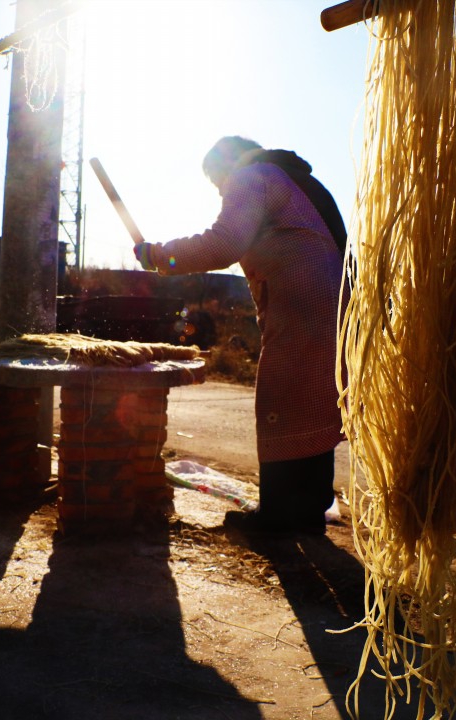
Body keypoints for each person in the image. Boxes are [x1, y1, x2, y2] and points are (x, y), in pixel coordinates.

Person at [133, 136, 346, 534]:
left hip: (304, 299)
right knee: (314, 400)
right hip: (332, 300)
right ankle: (309, 509)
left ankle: (279, 515)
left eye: (214, 176)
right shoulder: (288, 178)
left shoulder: (251, 175)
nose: (218, 188)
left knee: (278, 398)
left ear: (226, 162)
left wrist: (159, 256)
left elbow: (225, 242)